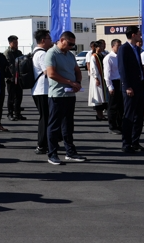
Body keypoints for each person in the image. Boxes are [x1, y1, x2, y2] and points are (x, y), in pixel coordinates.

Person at [43, 31, 88, 163]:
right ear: (62, 40)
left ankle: (70, 152)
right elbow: (51, 74)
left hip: (70, 94)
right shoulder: (51, 53)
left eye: (73, 45)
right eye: (69, 44)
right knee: (54, 126)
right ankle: (52, 154)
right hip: (57, 95)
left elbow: (77, 71)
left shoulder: (70, 55)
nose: (71, 47)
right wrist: (70, 82)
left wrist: (77, 82)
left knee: (68, 125)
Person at [117, 26, 144, 153]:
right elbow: (122, 69)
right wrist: (127, 86)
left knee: (139, 116)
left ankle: (135, 142)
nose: (141, 35)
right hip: (130, 87)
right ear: (133, 35)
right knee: (129, 116)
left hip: (139, 86)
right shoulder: (124, 49)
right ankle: (126, 144)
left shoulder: (137, 49)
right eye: (139, 33)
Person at [30, 29, 55, 153]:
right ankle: (41, 145)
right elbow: (48, 72)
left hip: (40, 90)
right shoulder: (42, 54)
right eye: (49, 38)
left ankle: (45, 143)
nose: (51, 41)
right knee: (45, 118)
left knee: (45, 117)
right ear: (43, 40)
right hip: (42, 90)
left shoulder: (36, 52)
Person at [104, 39, 123, 135]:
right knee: (113, 106)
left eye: (120, 45)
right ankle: (112, 126)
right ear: (112, 46)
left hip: (121, 82)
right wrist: (110, 87)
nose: (119, 47)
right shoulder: (108, 58)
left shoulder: (120, 57)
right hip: (113, 82)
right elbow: (107, 75)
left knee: (121, 106)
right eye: (117, 46)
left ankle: (120, 125)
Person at [4, 35, 24, 121]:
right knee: (11, 97)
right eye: (14, 42)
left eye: (17, 42)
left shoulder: (19, 52)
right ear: (10, 43)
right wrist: (11, 76)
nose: (16, 44)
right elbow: (9, 65)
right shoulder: (7, 53)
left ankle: (17, 113)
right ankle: (10, 113)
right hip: (11, 78)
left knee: (19, 96)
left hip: (18, 77)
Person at [87, 40, 107, 120]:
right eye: (100, 47)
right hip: (97, 79)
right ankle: (99, 115)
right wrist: (96, 78)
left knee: (102, 97)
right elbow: (93, 68)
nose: (101, 48)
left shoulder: (102, 55)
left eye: (102, 46)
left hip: (103, 78)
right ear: (95, 47)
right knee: (98, 97)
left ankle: (101, 115)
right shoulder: (93, 56)